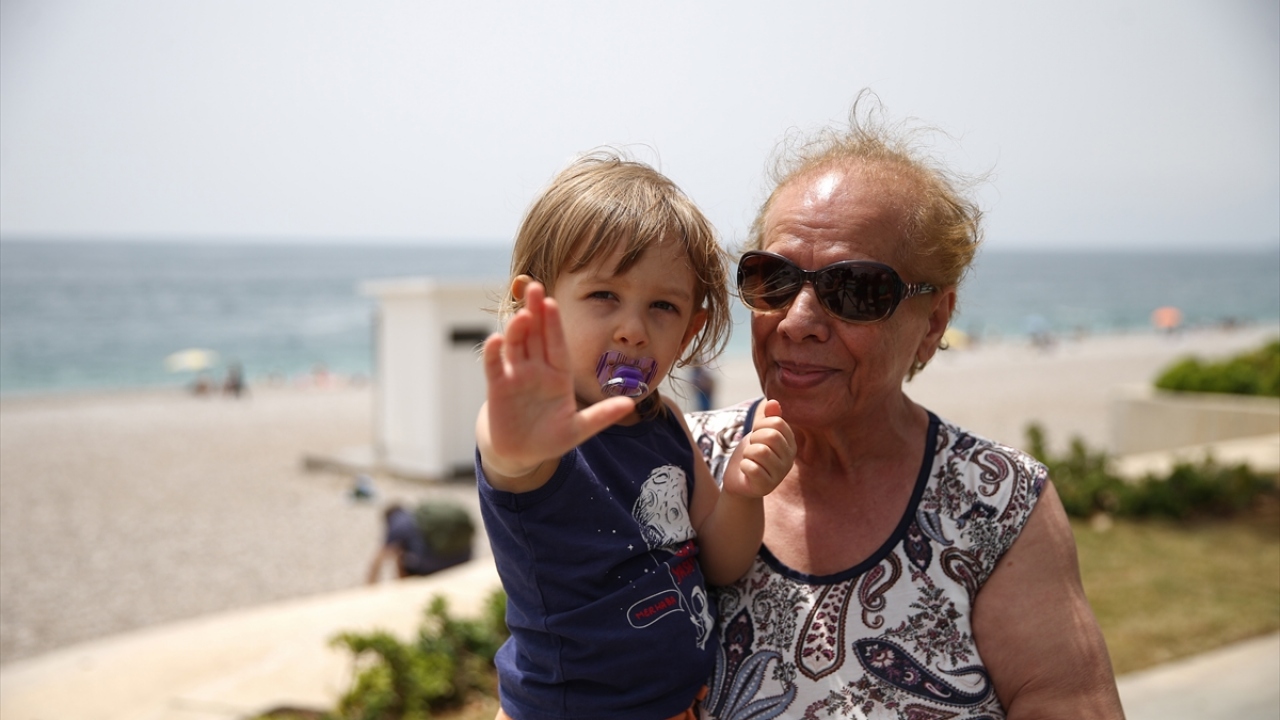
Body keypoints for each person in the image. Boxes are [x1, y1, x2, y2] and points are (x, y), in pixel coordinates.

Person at [687, 96, 1125, 718]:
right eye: (773, 278)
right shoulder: (680, 463)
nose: (800, 321)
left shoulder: (994, 503)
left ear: (933, 322)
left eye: (856, 290)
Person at [475, 152, 797, 720]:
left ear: (690, 330)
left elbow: (721, 563)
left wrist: (745, 492)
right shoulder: (538, 438)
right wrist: (514, 441)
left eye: (662, 307)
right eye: (604, 296)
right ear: (539, 304)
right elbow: (509, 454)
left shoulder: (666, 424)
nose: (633, 330)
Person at [365, 503, 467, 582]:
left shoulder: (397, 524)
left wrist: (369, 589)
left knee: (404, 557)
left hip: (432, 564)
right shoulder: (416, 517)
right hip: (462, 557)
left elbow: (378, 560)